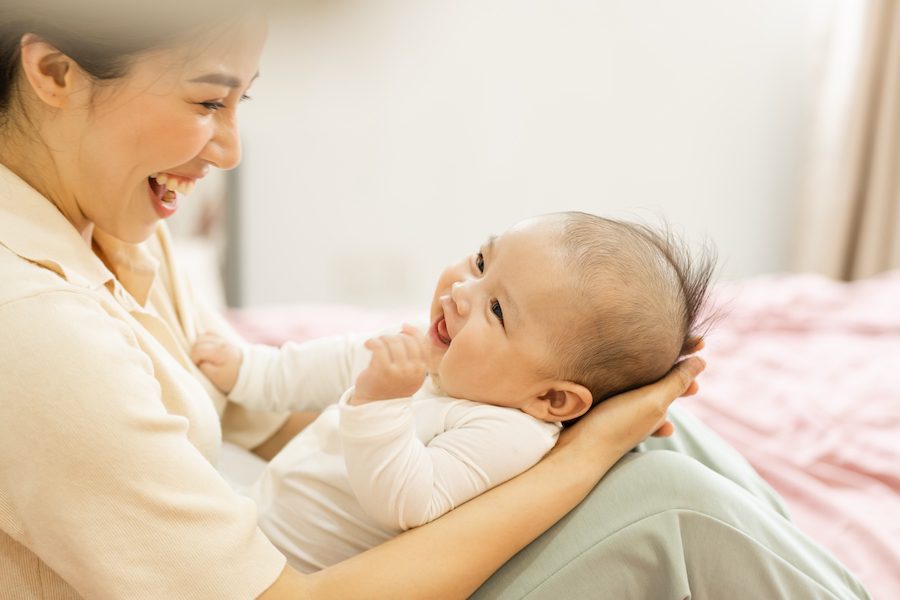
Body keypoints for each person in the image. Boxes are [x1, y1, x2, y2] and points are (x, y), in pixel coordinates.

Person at [0, 1, 871, 598]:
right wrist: (577, 459)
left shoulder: (113, 224)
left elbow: (257, 407)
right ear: (54, 72)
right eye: (206, 100)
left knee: (660, 425)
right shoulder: (34, 331)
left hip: (307, 536)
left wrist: (544, 434)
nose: (228, 149)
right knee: (672, 500)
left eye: (240, 103)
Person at [190, 210, 715, 573]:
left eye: (498, 311)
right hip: (261, 514)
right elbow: (336, 362)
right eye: (482, 263)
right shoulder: (450, 361)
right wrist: (248, 371)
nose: (462, 293)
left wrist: (380, 404)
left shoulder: (507, 432)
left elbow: (408, 501)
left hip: (294, 563)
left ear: (552, 400)